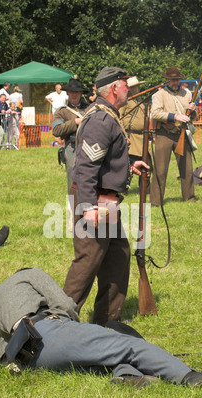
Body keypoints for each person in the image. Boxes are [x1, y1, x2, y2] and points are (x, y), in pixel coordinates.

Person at [0, 267, 202, 388]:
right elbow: (65, 306)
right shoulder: (30, 274)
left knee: (104, 356)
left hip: (30, 362)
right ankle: (189, 377)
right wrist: (79, 332)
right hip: (49, 333)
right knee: (127, 344)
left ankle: (128, 378)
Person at [63, 67, 149, 326]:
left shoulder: (108, 115)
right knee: (86, 265)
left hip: (106, 202)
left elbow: (104, 160)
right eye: (125, 85)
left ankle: (106, 323)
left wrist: (129, 165)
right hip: (96, 203)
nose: (129, 89)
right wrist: (88, 207)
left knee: (118, 259)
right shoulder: (102, 120)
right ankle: (56, 322)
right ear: (113, 89)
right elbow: (86, 167)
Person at [150, 66, 197, 206]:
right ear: (167, 80)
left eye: (177, 80)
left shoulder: (187, 94)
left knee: (187, 169)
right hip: (164, 133)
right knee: (160, 170)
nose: (175, 82)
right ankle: (156, 202)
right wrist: (175, 116)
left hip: (181, 133)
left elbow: (191, 117)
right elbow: (156, 113)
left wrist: (192, 112)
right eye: (172, 80)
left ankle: (189, 198)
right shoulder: (160, 95)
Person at [52, 78, 88, 193]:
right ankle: (74, 209)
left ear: (81, 93)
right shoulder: (61, 111)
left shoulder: (90, 108)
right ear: (67, 93)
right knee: (73, 182)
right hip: (72, 148)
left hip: (90, 147)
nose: (74, 94)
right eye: (72, 92)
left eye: (77, 92)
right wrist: (75, 123)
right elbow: (56, 130)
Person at [120, 76, 152, 188]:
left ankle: (145, 189)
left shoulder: (140, 100)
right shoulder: (125, 101)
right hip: (131, 138)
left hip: (142, 138)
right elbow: (119, 118)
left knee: (147, 166)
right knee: (129, 165)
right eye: (135, 86)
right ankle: (122, 187)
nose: (138, 87)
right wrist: (124, 136)